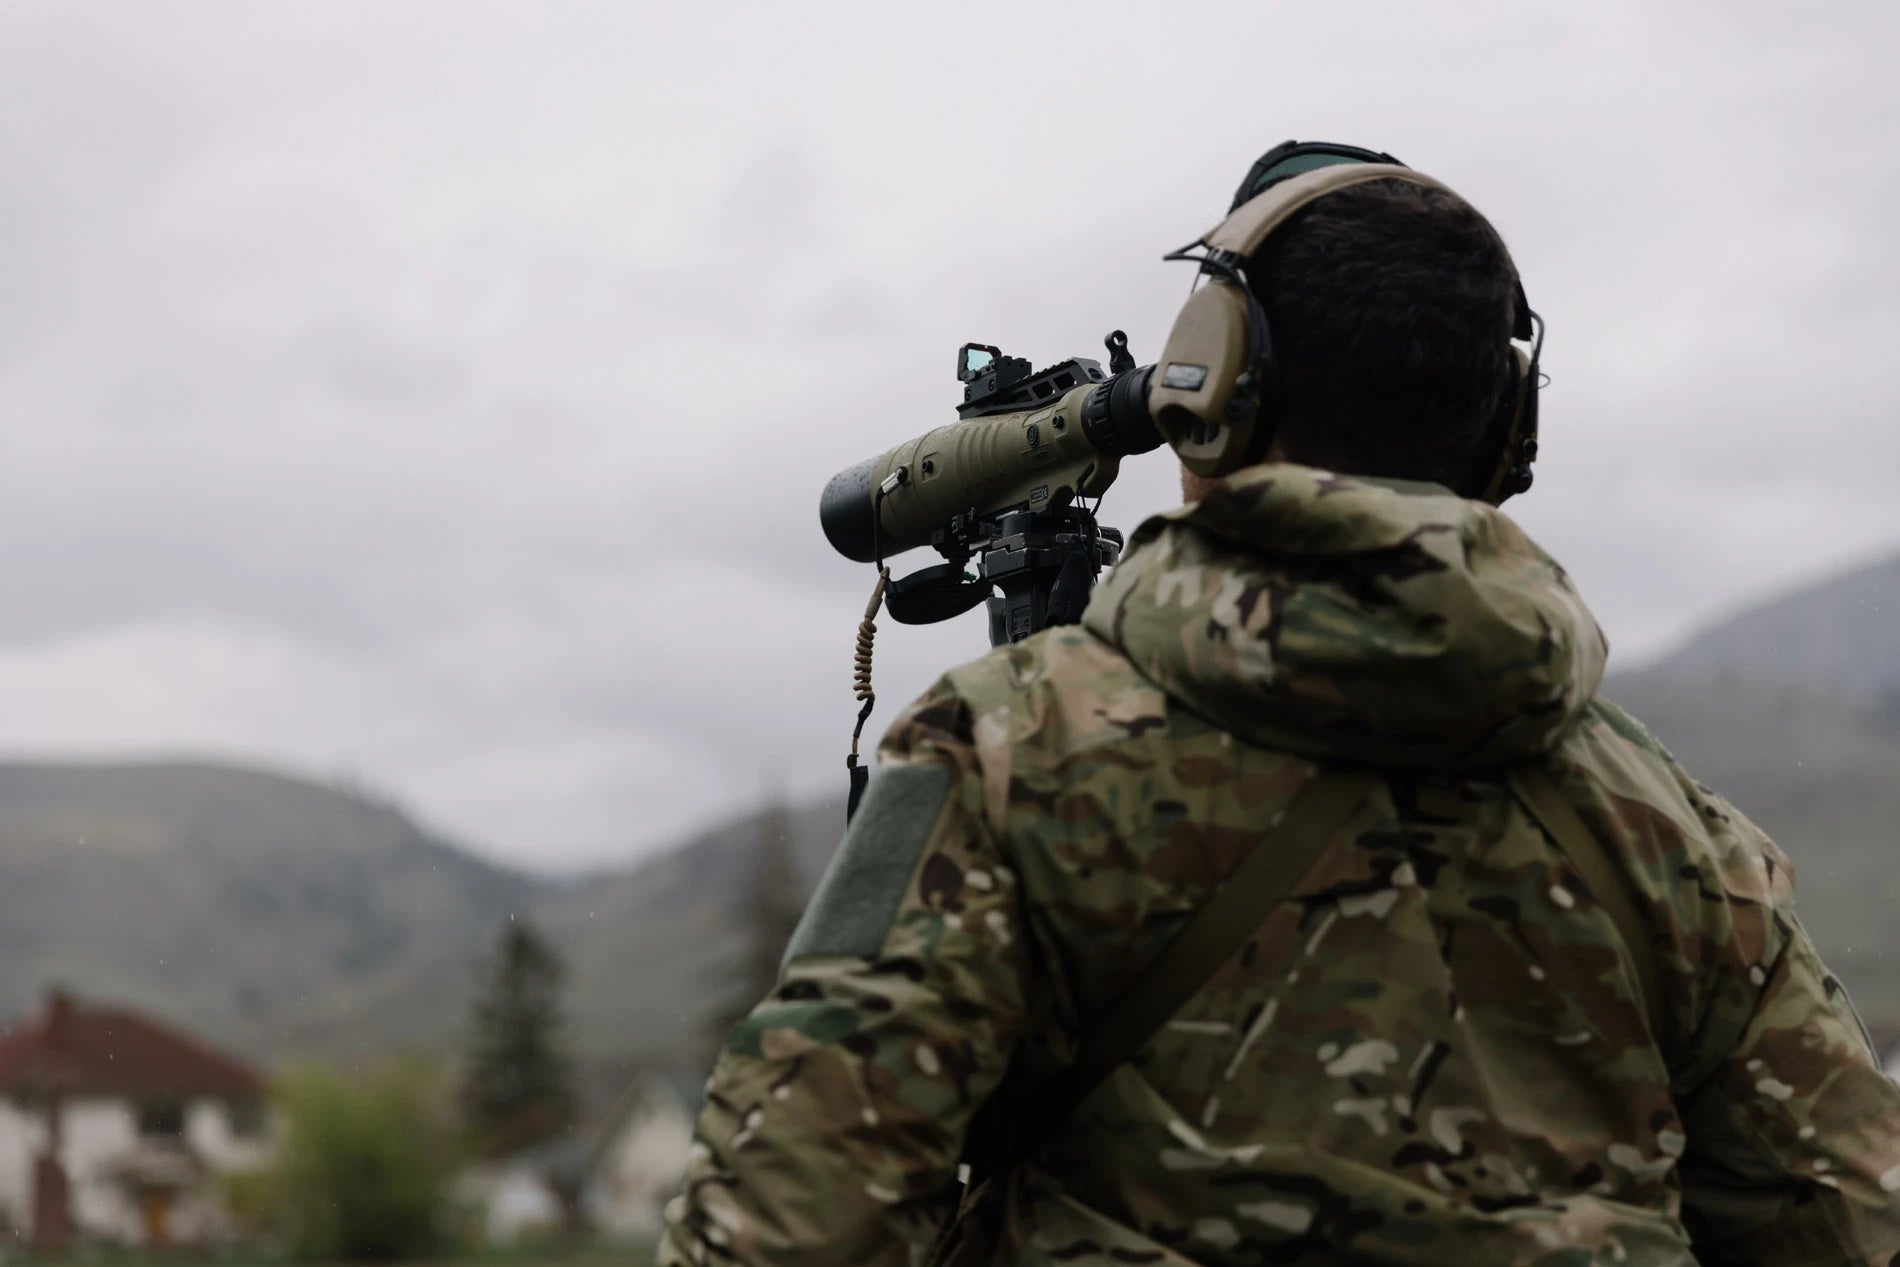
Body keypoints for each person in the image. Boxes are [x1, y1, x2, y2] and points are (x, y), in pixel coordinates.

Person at [657, 142, 1900, 1266]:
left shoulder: (1010, 757)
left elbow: (778, 1232)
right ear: (1500, 432)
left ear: (1212, 385)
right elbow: (1843, 1218)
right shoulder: (1675, 834)